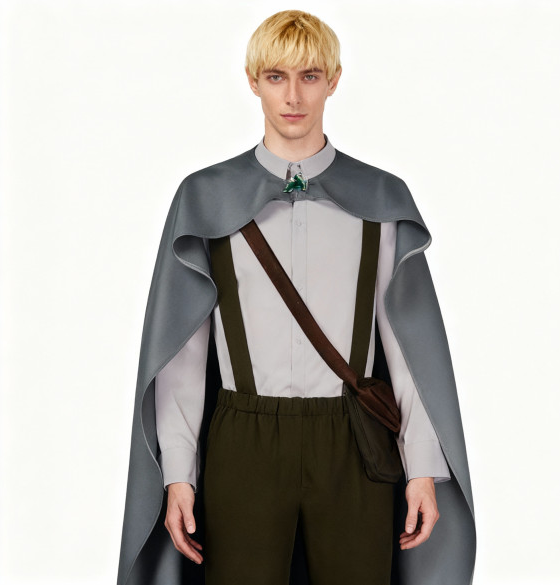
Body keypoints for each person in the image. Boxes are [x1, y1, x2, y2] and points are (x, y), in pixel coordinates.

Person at [117, 10, 476, 585]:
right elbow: (182, 354)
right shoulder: (206, 197)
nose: (293, 96)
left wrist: (422, 470)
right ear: (252, 80)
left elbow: (407, 349)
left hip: (352, 443)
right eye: (276, 77)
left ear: (333, 80)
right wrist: (178, 474)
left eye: (309, 76)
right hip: (243, 438)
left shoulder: (380, 198)